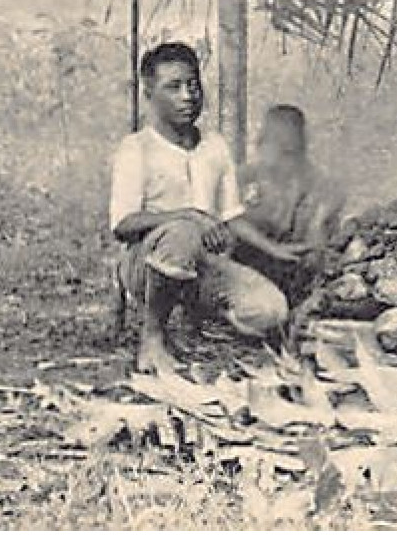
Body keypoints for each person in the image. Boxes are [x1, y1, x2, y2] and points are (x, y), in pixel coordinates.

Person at [110, 43, 288, 375]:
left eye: (193, 84)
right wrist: (190, 216)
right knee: (184, 232)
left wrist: (277, 251)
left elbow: (231, 215)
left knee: (271, 311)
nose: (188, 95)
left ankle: (198, 318)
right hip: (148, 265)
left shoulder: (214, 146)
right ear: (149, 93)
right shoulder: (136, 149)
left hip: (204, 265)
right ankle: (153, 335)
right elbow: (123, 225)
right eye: (173, 87)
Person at [234, 104, 345, 303]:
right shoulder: (245, 177)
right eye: (271, 140)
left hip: (293, 272)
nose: (264, 146)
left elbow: (317, 245)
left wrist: (315, 225)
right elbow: (227, 222)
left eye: (288, 149)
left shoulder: (320, 184)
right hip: (246, 271)